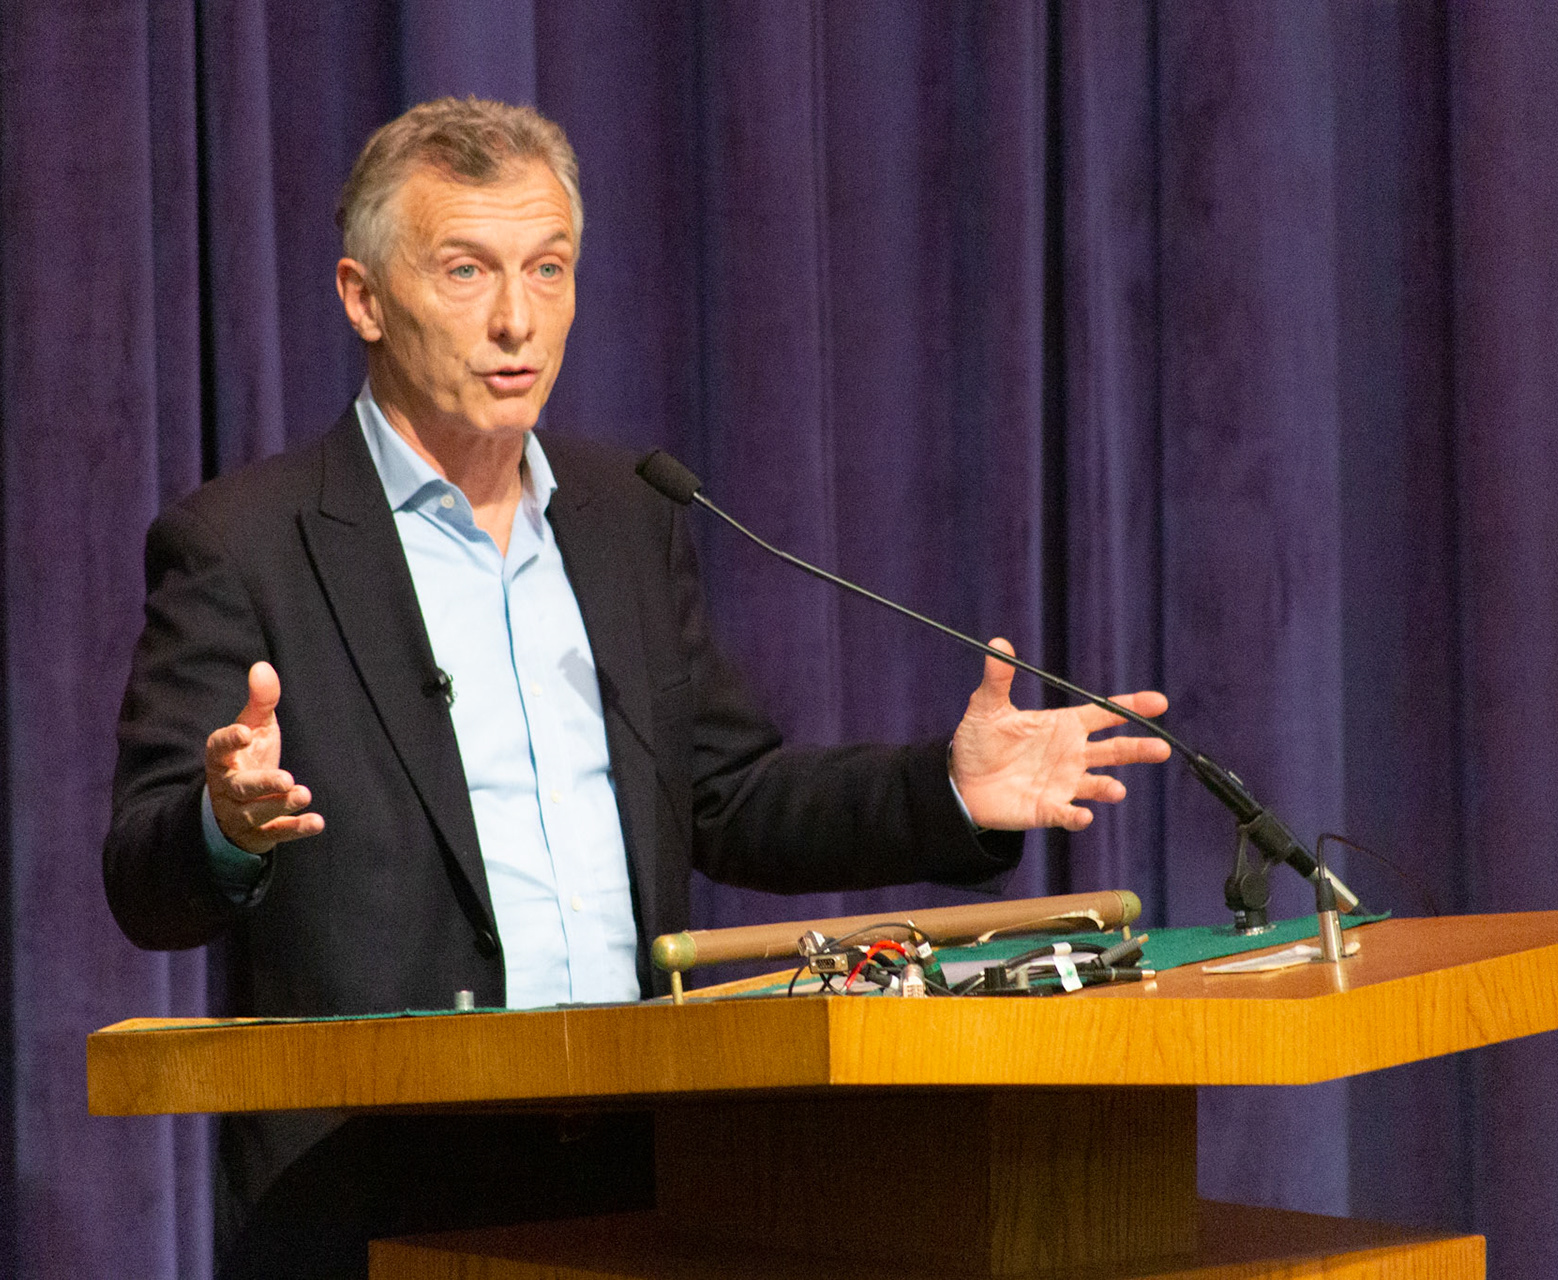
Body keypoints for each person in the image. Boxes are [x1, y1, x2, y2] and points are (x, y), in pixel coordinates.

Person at [102, 96, 1170, 1278]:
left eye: (547, 269)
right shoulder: (244, 541)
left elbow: (724, 793)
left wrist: (947, 790)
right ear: (362, 296)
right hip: (381, 1188)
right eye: (466, 269)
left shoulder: (623, 516)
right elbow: (146, 880)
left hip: (642, 1172)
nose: (518, 319)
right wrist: (228, 825)